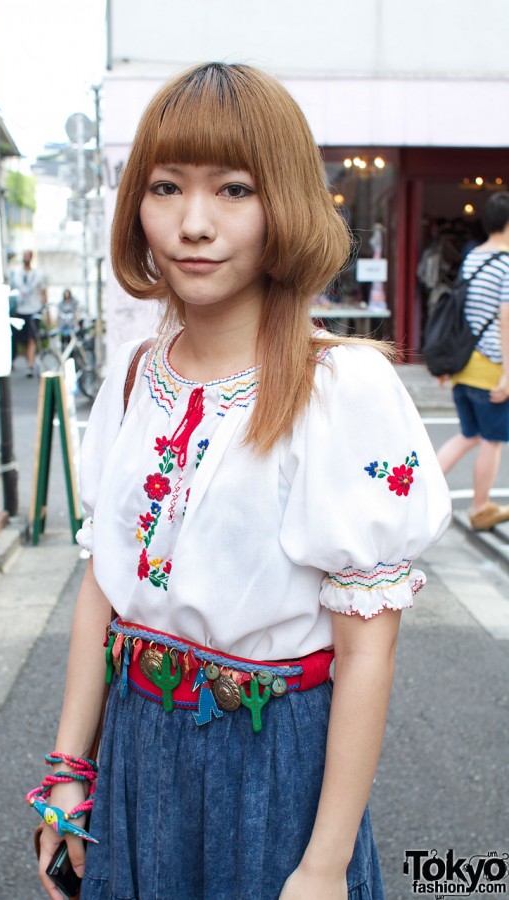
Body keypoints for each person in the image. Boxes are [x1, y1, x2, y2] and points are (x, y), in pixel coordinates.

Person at [30, 63, 451, 900]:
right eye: (164, 187)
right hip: (136, 750)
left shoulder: (340, 389)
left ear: (284, 203)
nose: (193, 223)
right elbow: (102, 587)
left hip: (273, 766)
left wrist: (325, 865)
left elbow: (368, 649)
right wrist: (68, 774)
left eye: (232, 189)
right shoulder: (131, 374)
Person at [436, 192, 509, 531]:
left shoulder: (472, 257)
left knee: (469, 434)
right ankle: (480, 506)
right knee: (491, 439)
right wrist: (507, 375)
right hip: (489, 365)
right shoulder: (506, 262)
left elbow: (462, 314)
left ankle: (419, 492)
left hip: (464, 364)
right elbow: (506, 320)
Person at [9, 249, 47, 376]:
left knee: (32, 338)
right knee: (24, 339)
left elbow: (43, 291)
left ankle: (30, 365)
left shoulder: (38, 274)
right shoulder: (16, 274)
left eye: (28, 256)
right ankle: (28, 361)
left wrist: (45, 309)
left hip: (34, 310)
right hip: (20, 310)